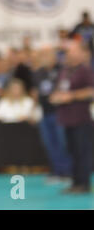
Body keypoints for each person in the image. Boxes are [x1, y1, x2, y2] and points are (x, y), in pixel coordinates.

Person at [50, 40, 94, 194]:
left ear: (81, 53)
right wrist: (56, 96)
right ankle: (75, 182)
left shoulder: (85, 70)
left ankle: (83, 183)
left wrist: (72, 96)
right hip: (66, 118)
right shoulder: (65, 70)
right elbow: (58, 88)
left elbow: (91, 91)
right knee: (72, 151)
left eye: (72, 51)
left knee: (82, 152)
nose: (68, 54)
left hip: (81, 118)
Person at [32, 46, 72, 182]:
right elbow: (37, 93)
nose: (44, 57)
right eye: (42, 54)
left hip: (60, 112)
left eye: (47, 54)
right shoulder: (38, 72)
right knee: (50, 143)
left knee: (62, 143)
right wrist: (33, 110)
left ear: (54, 56)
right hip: (45, 112)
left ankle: (67, 172)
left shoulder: (62, 70)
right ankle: (56, 171)